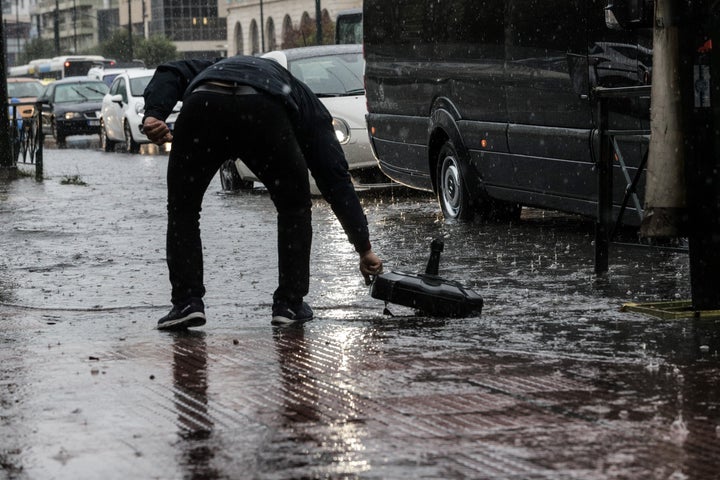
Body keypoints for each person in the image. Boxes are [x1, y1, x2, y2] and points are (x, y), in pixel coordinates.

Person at [142, 55, 383, 330]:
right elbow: (334, 177)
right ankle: (289, 304)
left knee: (182, 210)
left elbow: (170, 70)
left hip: (203, 105)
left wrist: (154, 113)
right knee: (294, 207)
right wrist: (364, 248)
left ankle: (186, 303)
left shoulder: (211, 67)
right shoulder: (300, 94)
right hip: (263, 109)